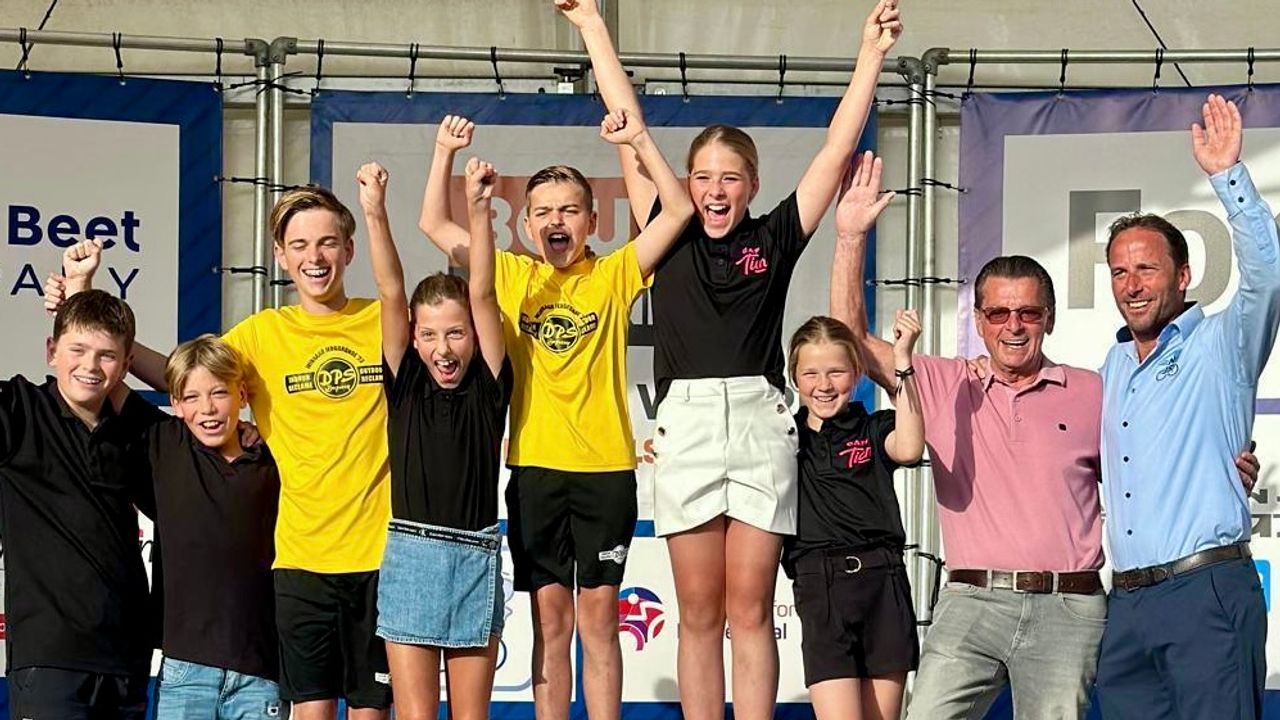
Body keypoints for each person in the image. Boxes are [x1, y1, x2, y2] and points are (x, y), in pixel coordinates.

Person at [555, 1, 900, 717]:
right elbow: (628, 124)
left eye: (731, 178)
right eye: (703, 177)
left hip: (757, 420)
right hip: (685, 423)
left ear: (752, 184)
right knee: (699, 612)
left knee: (750, 609)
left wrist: (870, 54)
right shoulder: (667, 228)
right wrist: (591, 26)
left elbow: (835, 151)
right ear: (686, 183)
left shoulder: (775, 237)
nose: (715, 191)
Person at [49, 185, 395, 720]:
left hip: (380, 557)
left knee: (372, 709)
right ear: (279, 255)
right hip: (300, 562)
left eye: (328, 242)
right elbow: (187, 374)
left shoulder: (385, 321)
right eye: (299, 245)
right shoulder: (262, 334)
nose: (315, 257)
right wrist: (82, 303)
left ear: (349, 249)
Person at [418, 109, 692, 720]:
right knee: (550, 620)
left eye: (569, 210)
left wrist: (635, 142)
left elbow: (677, 212)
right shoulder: (511, 274)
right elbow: (433, 223)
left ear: (593, 221)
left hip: (606, 472)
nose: (555, 221)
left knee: (599, 619)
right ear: (525, 224)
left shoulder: (615, 273)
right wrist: (443, 151)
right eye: (542, 212)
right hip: (535, 470)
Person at [1094, 93, 1279, 720]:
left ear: (1184, 275)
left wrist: (1228, 176)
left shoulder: (1223, 343)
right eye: (1119, 272)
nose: (1131, 285)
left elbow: (1268, 278)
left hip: (1205, 591)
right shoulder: (1111, 367)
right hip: (1127, 606)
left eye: (1147, 269)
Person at [357, 155, 511, 720]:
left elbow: (485, 292)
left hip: (475, 557)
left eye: (456, 333)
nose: (443, 349)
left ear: (474, 334)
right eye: (429, 335)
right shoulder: (404, 382)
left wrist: (479, 208)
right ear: (414, 337)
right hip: (411, 558)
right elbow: (390, 291)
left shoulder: (490, 383)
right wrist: (374, 212)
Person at [0, 289, 156, 719]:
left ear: (126, 365)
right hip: (49, 660)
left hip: (127, 662)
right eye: (78, 350)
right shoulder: (18, 409)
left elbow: (190, 390)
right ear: (51, 351)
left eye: (107, 356)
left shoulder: (137, 433)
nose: (89, 366)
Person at [784, 302, 923, 720]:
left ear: (857, 374)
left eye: (836, 372)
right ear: (794, 377)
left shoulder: (873, 426)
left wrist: (902, 361)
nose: (824, 386)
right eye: (811, 373)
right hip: (820, 586)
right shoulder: (784, 439)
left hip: (883, 581)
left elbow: (910, 448)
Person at [141, 334, 285, 720]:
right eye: (191, 397)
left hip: (261, 673)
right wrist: (76, 302)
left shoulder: (276, 455)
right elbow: (110, 369)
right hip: (185, 672)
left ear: (243, 395)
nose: (207, 408)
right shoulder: (164, 443)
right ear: (175, 404)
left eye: (219, 393)